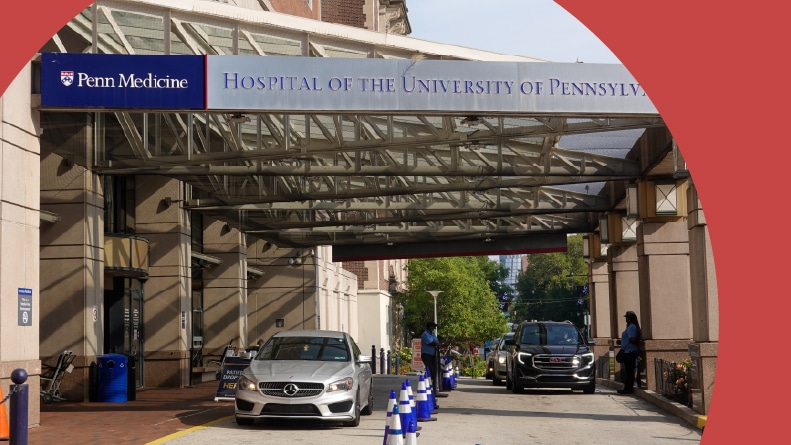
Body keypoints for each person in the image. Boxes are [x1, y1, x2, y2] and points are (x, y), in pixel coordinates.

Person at [618, 310, 641, 394]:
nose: (626, 319)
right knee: (628, 371)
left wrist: (626, 343)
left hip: (630, 351)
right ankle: (627, 387)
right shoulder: (630, 326)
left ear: (629, 318)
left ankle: (628, 388)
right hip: (628, 351)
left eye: (627, 317)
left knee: (629, 371)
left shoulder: (632, 327)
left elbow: (632, 338)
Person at [421, 321, 440, 405]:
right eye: (433, 327)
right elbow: (432, 343)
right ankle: (427, 385)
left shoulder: (432, 335)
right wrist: (435, 343)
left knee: (433, 371)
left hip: (433, 355)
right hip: (426, 355)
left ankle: (431, 387)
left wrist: (436, 343)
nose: (434, 329)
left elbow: (437, 342)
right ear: (429, 327)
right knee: (430, 370)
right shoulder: (425, 334)